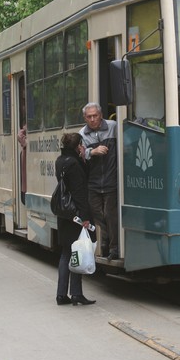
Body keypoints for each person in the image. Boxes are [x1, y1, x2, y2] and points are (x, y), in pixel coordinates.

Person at [53, 133, 96, 306]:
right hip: (76, 215)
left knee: (66, 254)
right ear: (78, 146)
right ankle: (76, 293)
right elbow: (79, 192)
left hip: (64, 213)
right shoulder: (74, 164)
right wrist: (85, 217)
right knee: (78, 252)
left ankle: (61, 294)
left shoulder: (60, 160)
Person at [79, 102, 119, 260]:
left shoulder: (113, 126)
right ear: (85, 118)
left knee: (110, 215)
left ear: (101, 115)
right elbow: (80, 154)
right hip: (93, 183)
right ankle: (105, 242)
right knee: (97, 215)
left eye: (95, 116)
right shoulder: (82, 134)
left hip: (111, 181)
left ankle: (114, 248)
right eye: (89, 117)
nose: (92, 119)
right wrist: (92, 152)